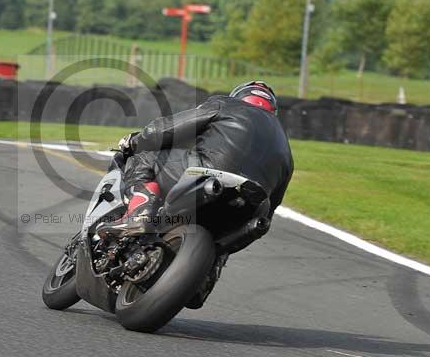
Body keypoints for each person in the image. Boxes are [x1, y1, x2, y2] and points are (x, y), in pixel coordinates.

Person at [106, 81, 294, 243]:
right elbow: (273, 203)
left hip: (209, 174)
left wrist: (134, 141)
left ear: (239, 96)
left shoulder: (227, 104)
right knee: (230, 241)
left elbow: (161, 131)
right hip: (249, 204)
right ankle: (210, 269)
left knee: (144, 158)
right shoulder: (285, 145)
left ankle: (140, 212)